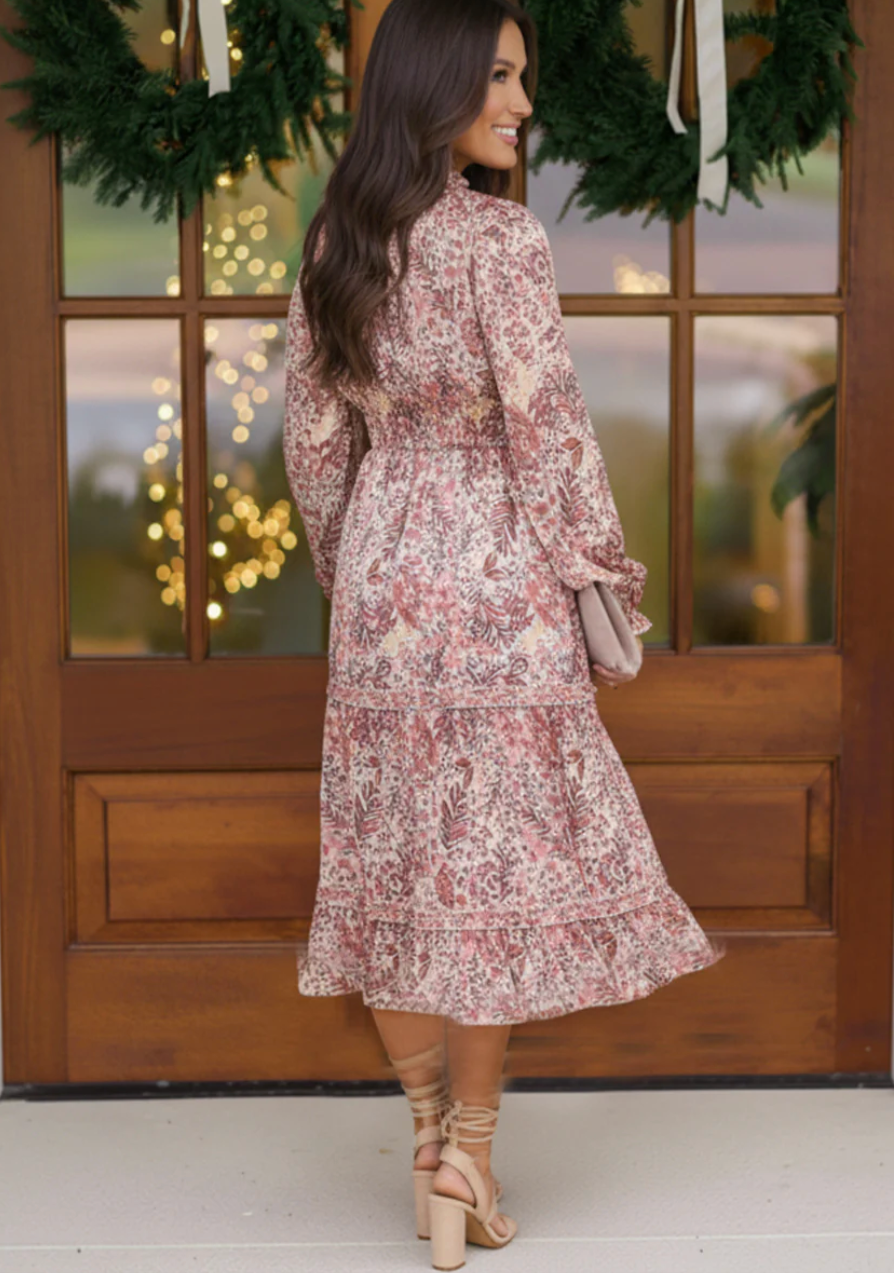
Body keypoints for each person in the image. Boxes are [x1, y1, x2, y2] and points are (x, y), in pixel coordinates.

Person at [283, 0, 726, 1265]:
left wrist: (356, 573)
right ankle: (467, 1158)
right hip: (499, 588)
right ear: (434, 86)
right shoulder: (502, 242)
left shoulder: (339, 236)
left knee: (401, 868)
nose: (523, 104)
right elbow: (547, 433)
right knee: (490, 875)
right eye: (502, 78)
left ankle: (428, 1148)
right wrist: (599, 580)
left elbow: (316, 447)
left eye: (522, 79)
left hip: (384, 583)